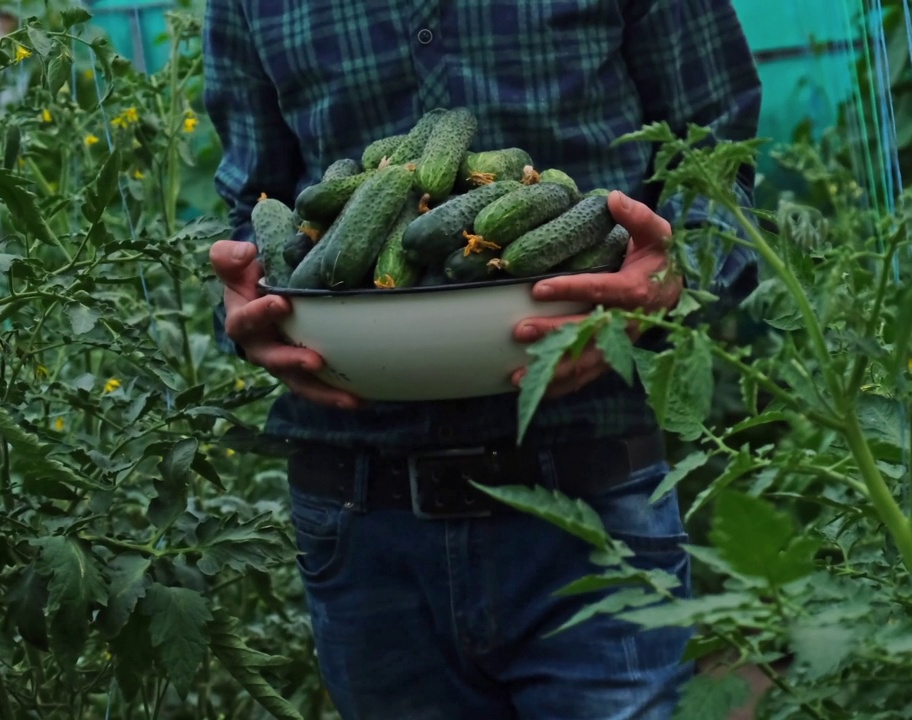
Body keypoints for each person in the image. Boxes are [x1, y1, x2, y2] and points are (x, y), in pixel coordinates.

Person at [202, 1, 762, 718]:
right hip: (361, 511)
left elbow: (716, 149)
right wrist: (244, 307)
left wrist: (678, 264)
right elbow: (255, 205)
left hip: (592, 493)